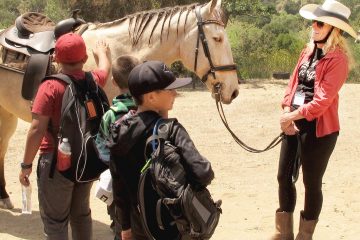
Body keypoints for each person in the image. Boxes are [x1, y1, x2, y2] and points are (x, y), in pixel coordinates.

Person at [271, 1, 357, 240]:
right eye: (314, 21)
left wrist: (292, 115)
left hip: (319, 129)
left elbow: (322, 101)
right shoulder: (307, 51)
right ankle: (283, 233)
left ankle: (304, 236)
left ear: (334, 30)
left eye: (320, 23)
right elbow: (293, 83)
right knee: (283, 175)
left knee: (311, 182)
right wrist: (287, 108)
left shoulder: (338, 60)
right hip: (294, 121)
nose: (314, 27)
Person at [19, 33, 111, 240]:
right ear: (84, 58)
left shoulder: (50, 86)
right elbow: (104, 70)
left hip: (55, 163)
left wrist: (26, 165)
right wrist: (103, 53)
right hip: (85, 160)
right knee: (81, 214)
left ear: (56, 58)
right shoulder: (92, 81)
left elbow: (37, 129)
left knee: (55, 221)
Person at [109, 60, 214, 240]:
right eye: (169, 89)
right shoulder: (171, 129)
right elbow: (203, 172)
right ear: (151, 97)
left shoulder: (118, 135)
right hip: (174, 225)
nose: (175, 93)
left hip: (139, 225)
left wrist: (125, 226)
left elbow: (119, 187)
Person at [95, 55, 139, 240]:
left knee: (120, 226)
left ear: (113, 81)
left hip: (117, 185)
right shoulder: (147, 110)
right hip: (143, 184)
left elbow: (101, 147)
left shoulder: (110, 116)